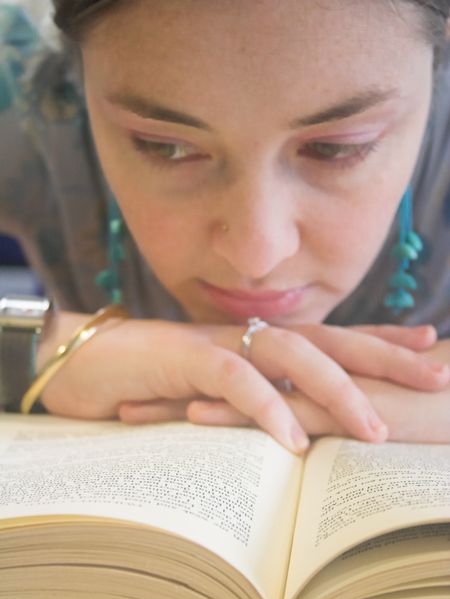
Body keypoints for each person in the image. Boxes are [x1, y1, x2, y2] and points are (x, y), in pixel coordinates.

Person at [0, 0, 449, 453]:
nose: (257, 253)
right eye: (166, 148)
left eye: (334, 149)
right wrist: (46, 350)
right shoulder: (25, 97)